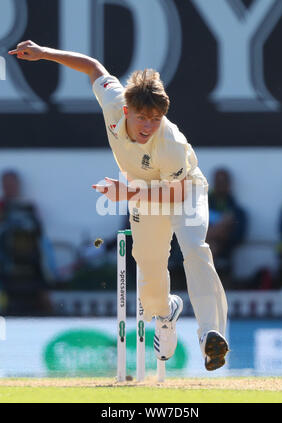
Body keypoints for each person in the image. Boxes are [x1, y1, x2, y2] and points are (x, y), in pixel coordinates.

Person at [9, 40, 229, 370]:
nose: (148, 127)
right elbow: (94, 67)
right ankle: (165, 314)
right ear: (126, 110)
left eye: (156, 119)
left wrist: (127, 194)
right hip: (142, 189)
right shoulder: (114, 102)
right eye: (142, 118)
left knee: (194, 247)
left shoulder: (170, 144)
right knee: (150, 268)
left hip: (184, 189)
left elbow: (176, 194)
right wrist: (44, 53)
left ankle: (210, 333)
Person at [0, 170, 53, 315]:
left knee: (44, 249)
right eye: (7, 184)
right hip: (5, 262)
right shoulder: (2, 207)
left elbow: (39, 233)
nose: (10, 187)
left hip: (30, 264)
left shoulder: (29, 208)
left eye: (12, 184)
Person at [206, 168, 247, 288]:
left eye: (223, 182)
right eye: (217, 182)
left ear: (229, 184)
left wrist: (221, 232)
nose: (220, 185)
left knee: (209, 246)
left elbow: (238, 236)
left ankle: (205, 285)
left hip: (222, 247)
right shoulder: (199, 205)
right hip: (199, 244)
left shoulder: (237, 211)